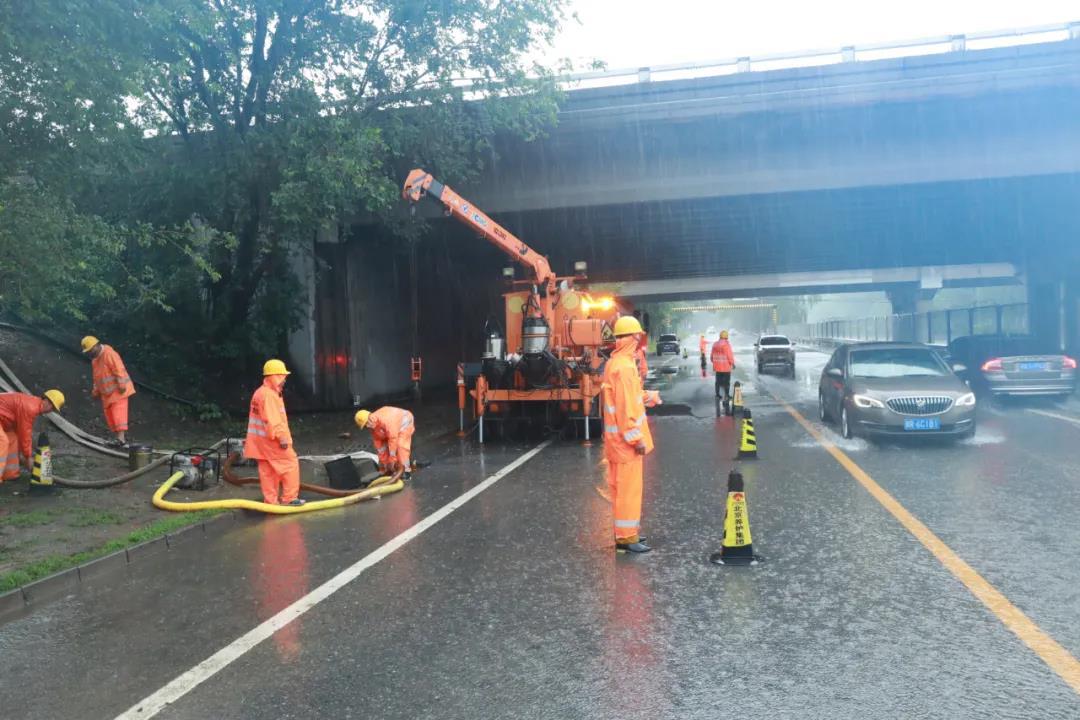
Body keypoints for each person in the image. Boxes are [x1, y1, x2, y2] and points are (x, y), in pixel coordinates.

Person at [602, 316, 657, 554]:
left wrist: (647, 397)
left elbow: (629, 397)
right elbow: (625, 410)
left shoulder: (617, 364)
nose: (638, 339)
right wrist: (637, 439)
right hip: (626, 444)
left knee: (621, 489)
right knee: (628, 491)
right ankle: (626, 537)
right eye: (636, 335)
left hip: (617, 443)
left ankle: (627, 533)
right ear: (629, 338)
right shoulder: (624, 368)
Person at [244, 359, 304, 506]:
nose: (285, 380)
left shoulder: (261, 392)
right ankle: (290, 499)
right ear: (275, 376)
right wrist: (282, 437)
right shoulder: (269, 395)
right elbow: (273, 420)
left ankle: (271, 502)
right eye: (283, 376)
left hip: (260, 443)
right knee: (290, 463)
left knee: (268, 471)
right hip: (272, 441)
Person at [0, 390, 64, 482]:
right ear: (45, 400)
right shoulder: (30, 408)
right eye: (51, 406)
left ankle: (10, 474)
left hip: (2, 420)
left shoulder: (32, 403)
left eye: (53, 408)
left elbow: (20, 432)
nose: (50, 409)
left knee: (13, 439)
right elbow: (25, 433)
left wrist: (26, 455)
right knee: (2, 441)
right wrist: (28, 457)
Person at [82, 336, 135, 447]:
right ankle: (118, 440)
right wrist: (96, 391)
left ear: (96, 345)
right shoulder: (95, 360)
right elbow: (96, 377)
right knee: (110, 416)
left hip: (118, 390)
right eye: (88, 351)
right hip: (106, 393)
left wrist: (121, 385)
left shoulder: (109, 353)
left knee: (118, 414)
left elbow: (118, 369)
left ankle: (121, 439)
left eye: (91, 350)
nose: (90, 353)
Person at [355, 406, 416, 482]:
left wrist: (392, 459)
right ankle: (394, 467)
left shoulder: (386, 420)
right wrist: (384, 466)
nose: (367, 425)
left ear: (371, 416)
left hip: (404, 422)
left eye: (367, 422)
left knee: (400, 446)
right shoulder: (373, 427)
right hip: (391, 427)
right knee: (386, 447)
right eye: (365, 426)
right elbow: (380, 448)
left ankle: (406, 471)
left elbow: (393, 439)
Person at [711, 330, 736, 406]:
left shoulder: (715, 344)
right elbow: (729, 355)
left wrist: (715, 362)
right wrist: (732, 363)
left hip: (717, 367)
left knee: (717, 382)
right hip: (726, 367)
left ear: (720, 336)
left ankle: (717, 395)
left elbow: (712, 357)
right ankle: (726, 395)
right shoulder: (726, 345)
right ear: (726, 337)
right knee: (726, 383)